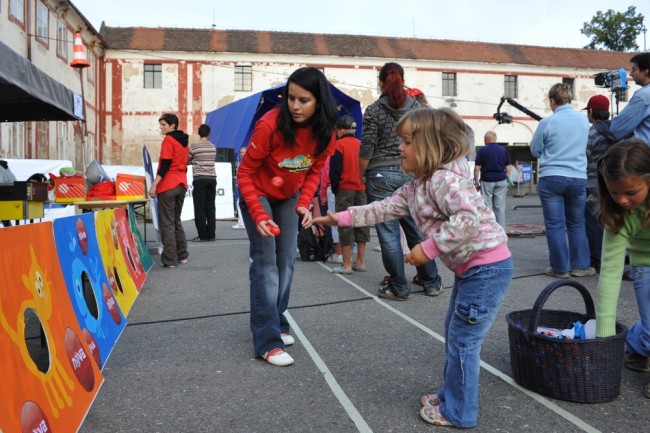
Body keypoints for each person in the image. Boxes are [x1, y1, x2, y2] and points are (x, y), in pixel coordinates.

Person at [313, 108, 513, 427]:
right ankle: (452, 394)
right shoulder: (418, 185)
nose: (399, 148)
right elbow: (383, 208)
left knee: (464, 340)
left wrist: (427, 249)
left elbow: (468, 219)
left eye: (406, 142)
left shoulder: (445, 181)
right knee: (454, 332)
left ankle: (460, 412)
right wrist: (341, 217)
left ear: (431, 146)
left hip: (487, 268)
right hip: (471, 269)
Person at [236, 67, 338, 367]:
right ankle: (267, 341)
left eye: (303, 100)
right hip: (259, 194)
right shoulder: (270, 125)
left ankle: (277, 321)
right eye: (290, 98)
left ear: (318, 101)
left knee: (287, 262)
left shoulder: (326, 132)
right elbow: (244, 174)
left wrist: (305, 204)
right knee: (266, 264)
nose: (294, 105)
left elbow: (314, 171)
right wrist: (257, 214)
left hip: (289, 197)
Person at [359, 62, 443, 300]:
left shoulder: (374, 110)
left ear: (381, 82)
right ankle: (431, 281)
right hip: (411, 173)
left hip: (379, 175)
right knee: (416, 229)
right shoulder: (415, 107)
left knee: (388, 234)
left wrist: (360, 173)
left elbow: (367, 146)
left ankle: (398, 286)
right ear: (403, 80)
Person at [595, 138, 650, 400]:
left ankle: (640, 344)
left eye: (630, 192)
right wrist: (605, 337)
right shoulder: (618, 214)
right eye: (614, 191)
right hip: (644, 265)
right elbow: (610, 272)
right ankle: (639, 341)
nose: (622, 200)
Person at [530, 83, 595, 278]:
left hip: (552, 177)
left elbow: (535, 150)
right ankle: (581, 266)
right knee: (577, 223)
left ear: (552, 101)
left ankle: (559, 268)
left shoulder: (548, 122)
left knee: (555, 225)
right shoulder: (584, 121)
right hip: (577, 176)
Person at [148, 113, 190, 268]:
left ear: (173, 125)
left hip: (168, 185)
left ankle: (170, 260)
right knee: (175, 220)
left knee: (167, 223)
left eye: (164, 124)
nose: (161, 127)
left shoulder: (168, 140)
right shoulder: (184, 142)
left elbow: (165, 164)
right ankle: (182, 255)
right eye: (161, 124)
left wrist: (154, 184)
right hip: (181, 184)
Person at [328, 114, 369, 274]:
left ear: (341, 129)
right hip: (361, 188)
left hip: (345, 189)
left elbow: (334, 171)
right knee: (361, 223)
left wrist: (336, 189)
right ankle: (360, 261)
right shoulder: (361, 144)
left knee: (345, 224)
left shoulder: (338, 145)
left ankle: (346, 264)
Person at [583, 94, 617, 270]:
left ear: (591, 112)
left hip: (593, 182)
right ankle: (614, 257)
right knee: (612, 220)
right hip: (612, 182)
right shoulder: (617, 130)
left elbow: (585, 155)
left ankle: (596, 259)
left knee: (593, 221)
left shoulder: (593, 131)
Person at [473, 130, 511, 228]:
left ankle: (489, 229)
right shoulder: (503, 150)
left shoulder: (482, 151)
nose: (484, 140)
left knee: (487, 206)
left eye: (484, 139)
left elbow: (477, 168)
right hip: (501, 180)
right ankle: (501, 230)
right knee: (500, 207)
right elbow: (508, 167)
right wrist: (507, 180)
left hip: (487, 180)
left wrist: (476, 183)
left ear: (487, 139)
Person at [610, 52, 650, 145]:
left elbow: (617, 128)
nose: (631, 74)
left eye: (634, 70)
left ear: (646, 71)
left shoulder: (643, 96)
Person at [188, 123, 217, 242]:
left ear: (199, 133)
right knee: (210, 207)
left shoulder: (194, 147)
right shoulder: (213, 147)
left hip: (200, 179)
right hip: (212, 178)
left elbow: (187, 159)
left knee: (200, 208)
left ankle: (202, 235)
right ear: (208, 134)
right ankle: (211, 235)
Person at [232, 146, 247, 229]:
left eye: (243, 152)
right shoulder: (240, 161)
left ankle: (241, 222)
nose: (241, 154)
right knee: (240, 203)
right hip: (241, 184)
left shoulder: (246, 162)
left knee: (240, 203)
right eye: (241, 152)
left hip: (244, 185)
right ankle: (242, 222)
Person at [0, 160, 17, 227]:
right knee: (5, 218)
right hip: (9, 196)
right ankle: (9, 229)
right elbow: (15, 180)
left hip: (3, 196)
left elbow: (0, 182)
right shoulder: (7, 169)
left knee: (5, 217)